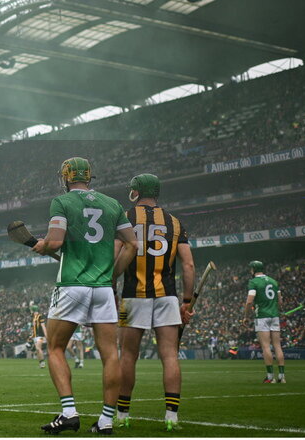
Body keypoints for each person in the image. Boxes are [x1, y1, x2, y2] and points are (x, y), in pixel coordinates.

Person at [33, 157, 136, 435]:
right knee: (109, 354)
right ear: (89, 177)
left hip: (71, 286)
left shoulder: (62, 202)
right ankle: (105, 421)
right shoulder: (113, 204)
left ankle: (68, 413)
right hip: (103, 289)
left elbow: (55, 242)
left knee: (55, 348)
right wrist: (113, 276)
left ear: (66, 177)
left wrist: (43, 246)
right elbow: (132, 244)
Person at [113, 174, 195, 431]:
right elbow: (189, 265)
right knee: (170, 355)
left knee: (127, 356)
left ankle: (122, 415)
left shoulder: (124, 217)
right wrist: (187, 301)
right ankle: (171, 417)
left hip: (132, 296)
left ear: (136, 192)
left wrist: (110, 290)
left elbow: (114, 256)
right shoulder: (174, 222)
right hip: (166, 296)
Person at [244, 260, 286, 384]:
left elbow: (249, 302)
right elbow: (280, 302)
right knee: (277, 346)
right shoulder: (273, 281)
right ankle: (282, 377)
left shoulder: (253, 282)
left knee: (266, 346)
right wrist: (276, 309)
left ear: (253, 269)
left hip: (262, 316)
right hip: (274, 316)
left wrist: (246, 316)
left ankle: (270, 377)